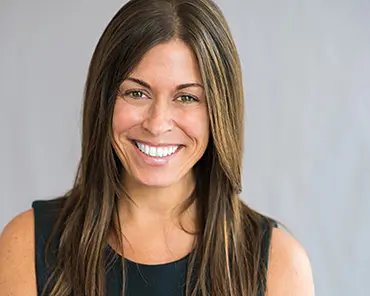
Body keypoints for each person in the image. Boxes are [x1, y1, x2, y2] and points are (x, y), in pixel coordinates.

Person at [0, 0, 315, 295]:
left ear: (220, 111)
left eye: (187, 97)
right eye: (136, 93)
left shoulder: (280, 265)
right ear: (104, 100)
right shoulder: (27, 244)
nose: (157, 123)